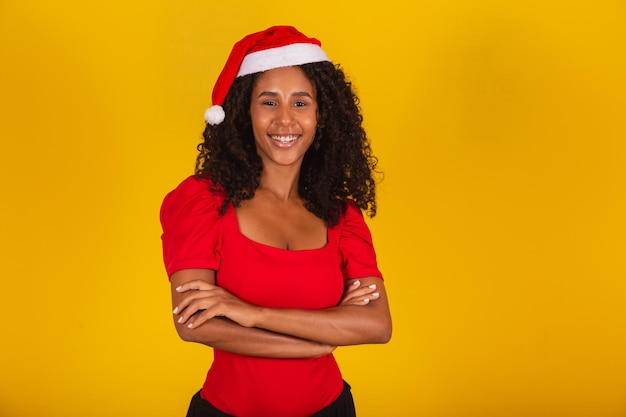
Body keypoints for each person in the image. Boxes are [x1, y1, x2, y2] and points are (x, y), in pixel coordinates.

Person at [160, 25, 392, 417]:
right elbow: (194, 323)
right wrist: (321, 337)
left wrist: (251, 314)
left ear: (322, 117)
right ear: (243, 113)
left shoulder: (341, 217)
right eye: (269, 102)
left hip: (331, 409)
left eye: (300, 103)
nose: (285, 120)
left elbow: (376, 325)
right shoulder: (203, 202)